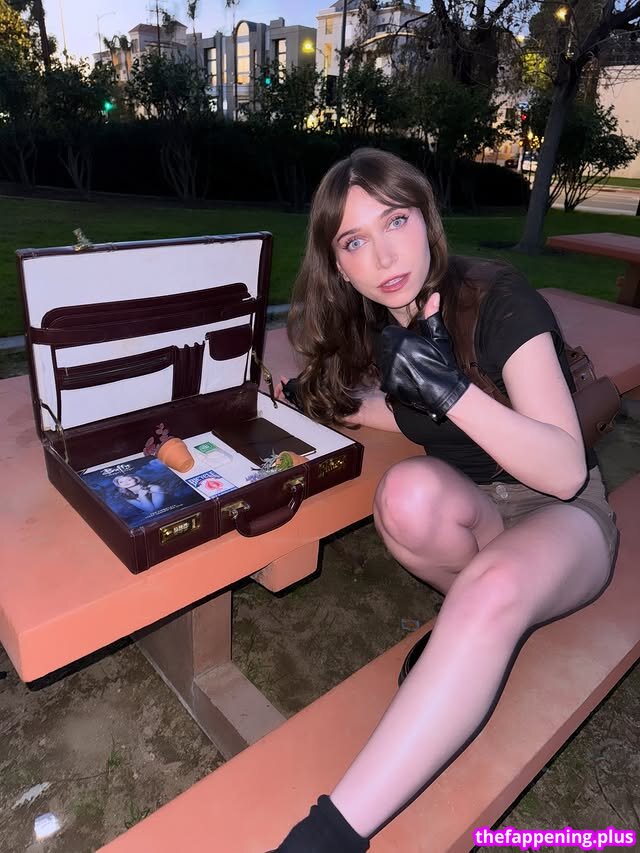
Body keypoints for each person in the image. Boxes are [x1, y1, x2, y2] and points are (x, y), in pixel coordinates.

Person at [271, 148, 618, 852]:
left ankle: (327, 837)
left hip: (565, 517)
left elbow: (562, 469)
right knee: (404, 493)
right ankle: (477, 627)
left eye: (396, 221)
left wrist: (450, 391)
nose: (383, 256)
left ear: (427, 219)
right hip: (480, 511)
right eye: (355, 241)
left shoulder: (497, 298)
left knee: (491, 587)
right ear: (339, 265)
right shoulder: (380, 322)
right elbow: (400, 413)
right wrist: (317, 400)